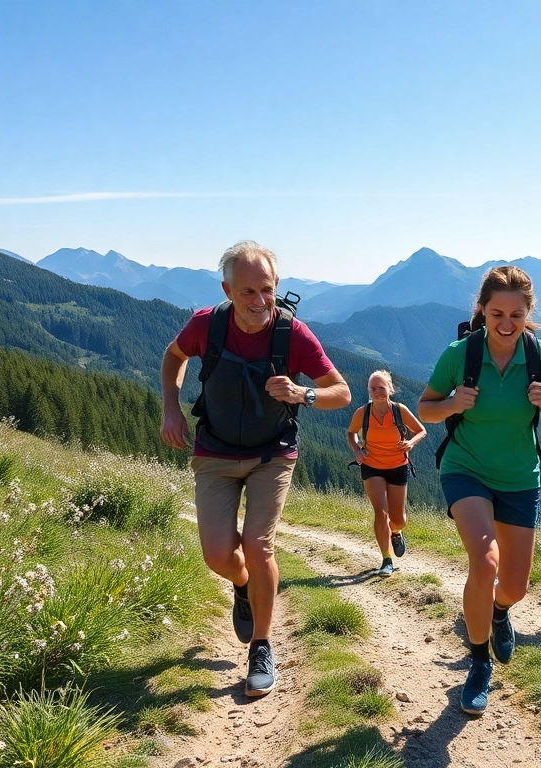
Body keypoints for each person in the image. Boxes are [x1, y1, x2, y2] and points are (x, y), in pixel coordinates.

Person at [160, 241, 350, 697]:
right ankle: (242, 584)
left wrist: (303, 394)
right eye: (247, 291)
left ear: (277, 285)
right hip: (215, 450)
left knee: (258, 544)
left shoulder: (293, 334)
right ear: (228, 290)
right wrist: (170, 407)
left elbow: (341, 392)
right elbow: (173, 357)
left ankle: (262, 647)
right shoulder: (206, 325)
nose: (259, 300)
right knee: (217, 555)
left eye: (266, 289)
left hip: (273, 453)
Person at [418, 265, 541, 715]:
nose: (506, 324)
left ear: (529, 314)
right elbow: (425, 408)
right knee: (485, 560)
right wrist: (452, 403)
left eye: (516, 315)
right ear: (482, 310)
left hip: (520, 477)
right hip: (465, 468)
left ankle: (499, 611)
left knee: (515, 586)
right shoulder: (461, 354)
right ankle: (478, 662)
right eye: (497, 314)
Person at [347, 370, 426, 576]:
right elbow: (351, 433)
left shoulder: (400, 410)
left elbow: (421, 431)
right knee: (381, 512)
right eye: (373, 388)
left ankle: (396, 531)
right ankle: (386, 560)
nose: (377, 392)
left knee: (399, 519)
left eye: (381, 388)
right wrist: (357, 451)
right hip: (371, 466)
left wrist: (410, 443)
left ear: (390, 389)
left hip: (398, 466)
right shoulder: (362, 413)